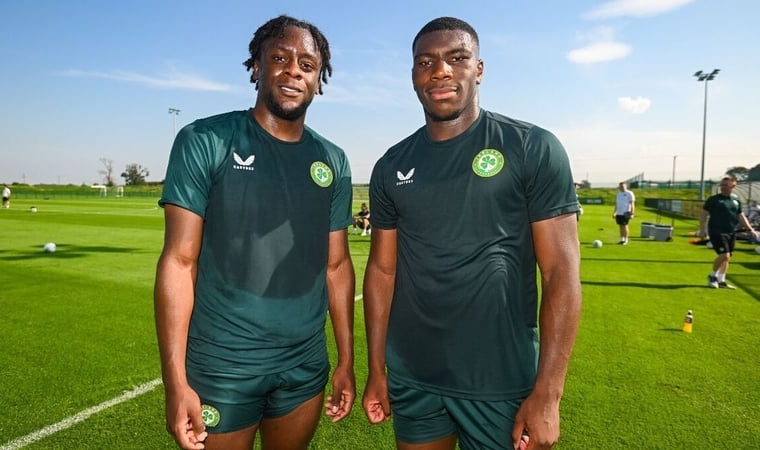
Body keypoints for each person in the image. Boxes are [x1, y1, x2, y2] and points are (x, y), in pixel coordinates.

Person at [361, 17, 582, 450]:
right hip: (414, 376)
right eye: (426, 61)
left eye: (456, 58)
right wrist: (377, 369)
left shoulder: (531, 147)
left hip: (499, 380)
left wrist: (548, 394)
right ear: (412, 76)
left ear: (478, 69)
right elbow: (382, 272)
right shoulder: (391, 165)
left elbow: (560, 273)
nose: (440, 71)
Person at [154, 15, 355, 450]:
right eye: (279, 58)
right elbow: (179, 260)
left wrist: (346, 360)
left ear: (319, 79)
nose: (292, 71)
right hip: (224, 362)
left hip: (304, 364)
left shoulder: (332, 160)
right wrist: (175, 382)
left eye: (306, 64)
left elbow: (336, 265)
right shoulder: (205, 139)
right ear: (256, 67)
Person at [698, 176, 759, 289]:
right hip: (716, 231)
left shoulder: (735, 201)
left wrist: (750, 229)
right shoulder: (714, 199)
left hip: (731, 232)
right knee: (724, 254)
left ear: (733, 186)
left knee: (727, 257)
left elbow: (740, 216)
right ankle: (712, 276)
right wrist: (702, 230)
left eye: (726, 185)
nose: (723, 187)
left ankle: (722, 281)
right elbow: (703, 214)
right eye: (722, 185)